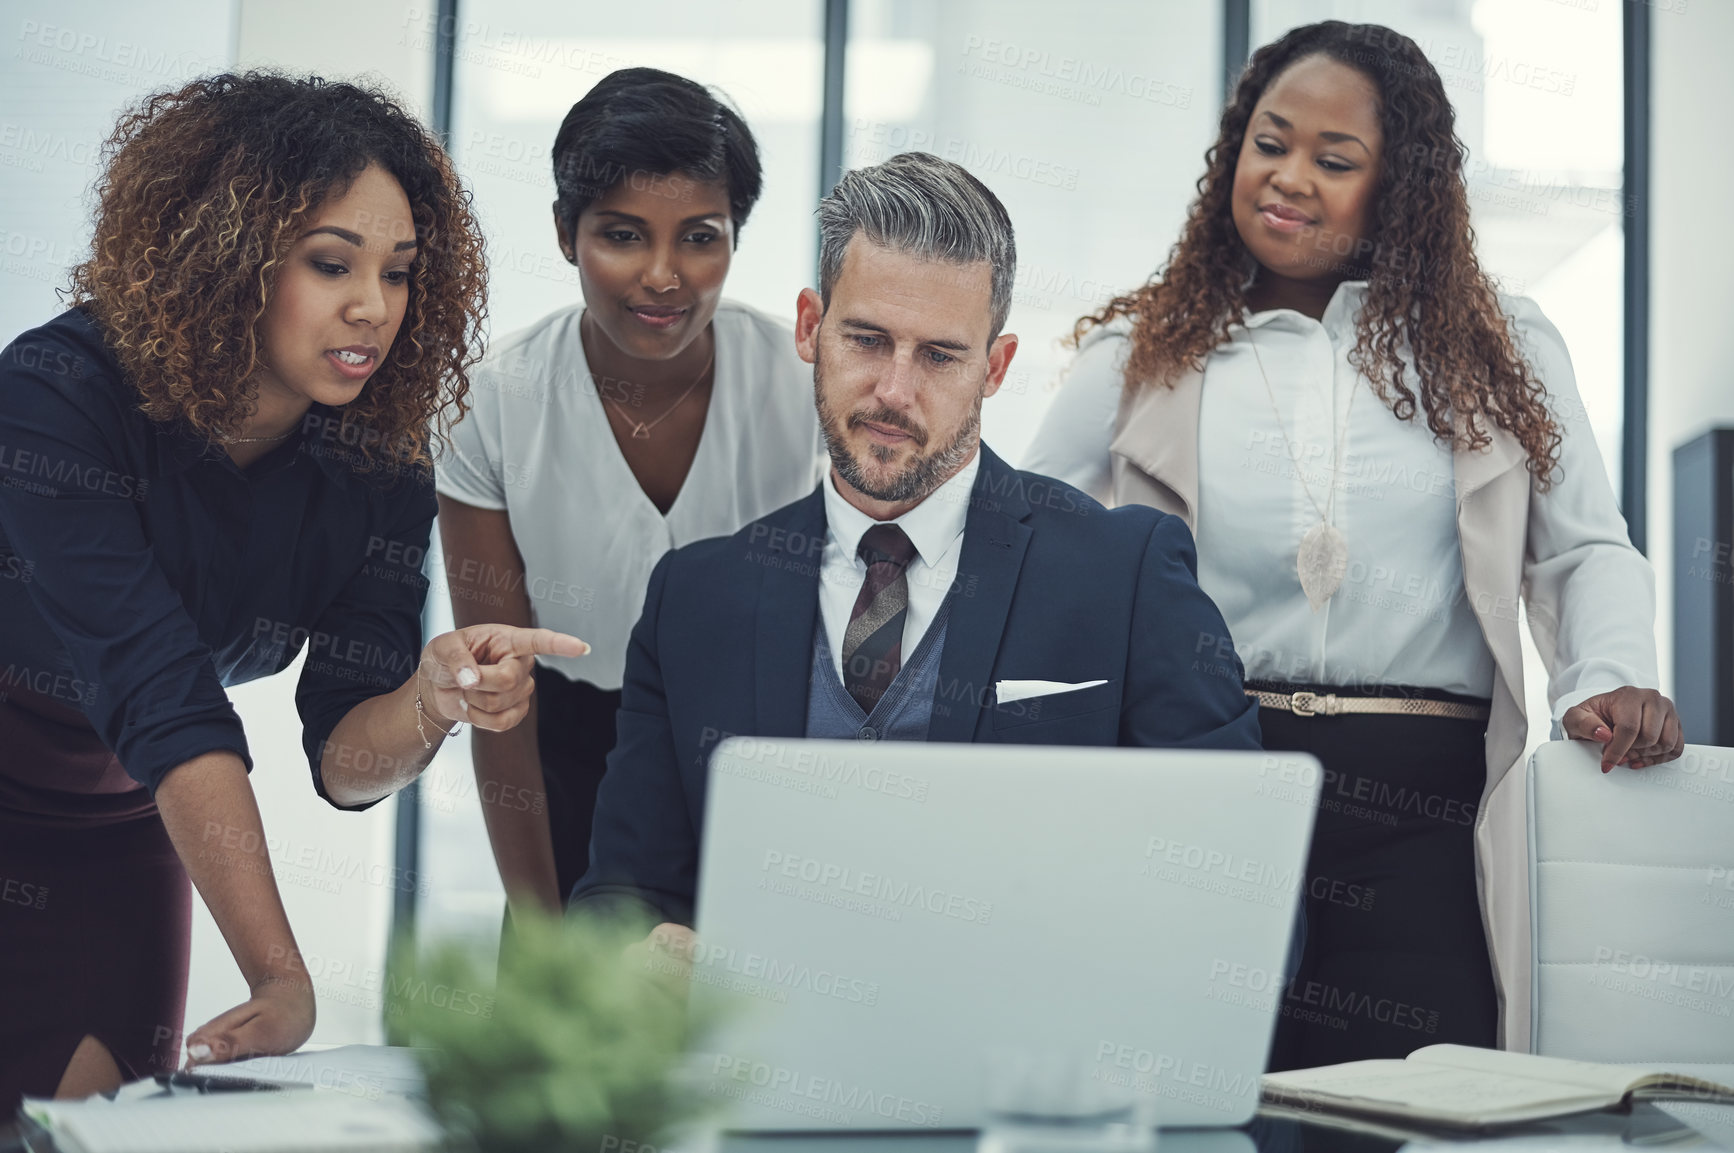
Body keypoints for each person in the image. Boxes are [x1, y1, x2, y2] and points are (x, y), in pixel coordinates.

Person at [1023, 21, 1680, 1065]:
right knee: (1203, 1101)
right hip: (1206, 790)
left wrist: (1608, 676)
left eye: (1335, 161)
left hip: (1422, 808)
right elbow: (1032, 548)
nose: (1288, 178)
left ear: (1400, 188)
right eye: (1269, 142)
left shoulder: (1498, 348)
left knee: (1412, 1107)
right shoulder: (1141, 351)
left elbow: (1582, 549)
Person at [0, 72, 583, 1108]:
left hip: (120, 826)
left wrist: (428, 700)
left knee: (83, 1133)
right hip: (90, 765)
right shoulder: (55, 400)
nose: (373, 306)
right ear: (222, 258)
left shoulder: (379, 464)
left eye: (400, 273)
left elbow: (344, 761)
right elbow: (161, 691)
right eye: (330, 263)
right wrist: (279, 973)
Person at [566, 151, 1262, 937]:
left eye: (939, 355)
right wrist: (642, 956)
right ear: (809, 327)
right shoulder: (693, 599)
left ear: (996, 367)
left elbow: (1239, 882)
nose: (895, 392)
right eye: (866, 339)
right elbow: (616, 899)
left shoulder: (1125, 575)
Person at [436, 67, 824, 920]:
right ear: (566, 234)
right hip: (569, 765)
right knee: (575, 1039)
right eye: (622, 234)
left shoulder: (804, 389)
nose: (663, 274)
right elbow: (500, 695)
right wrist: (538, 929)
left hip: (755, 762)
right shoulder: (490, 402)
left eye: (700, 236)